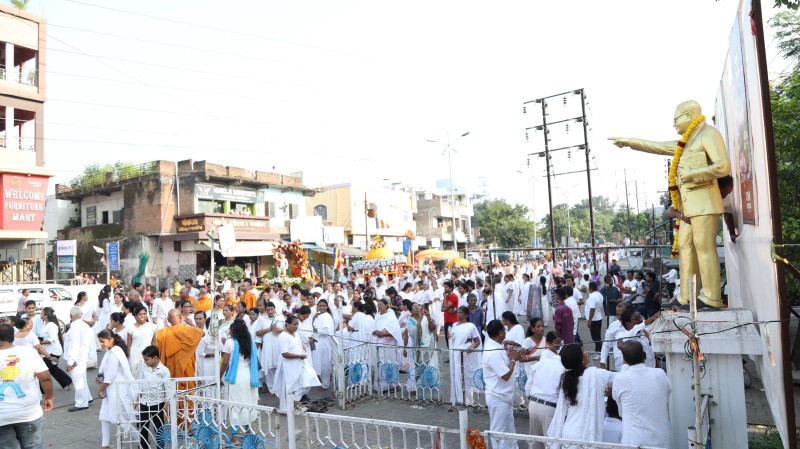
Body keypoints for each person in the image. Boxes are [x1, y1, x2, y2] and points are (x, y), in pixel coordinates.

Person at [610, 100, 731, 308]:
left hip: (705, 204)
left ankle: (712, 297)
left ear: (689, 115)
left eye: (676, 120)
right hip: (688, 208)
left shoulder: (709, 134)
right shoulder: (685, 143)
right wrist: (629, 141)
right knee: (685, 248)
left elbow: (723, 166)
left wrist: (694, 173)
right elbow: (656, 146)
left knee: (704, 247)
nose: (674, 124)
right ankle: (686, 296)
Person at [547, 344, 615, 448]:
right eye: (583, 351)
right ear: (581, 359)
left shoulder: (566, 379)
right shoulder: (596, 374)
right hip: (585, 433)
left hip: (567, 432)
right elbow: (621, 379)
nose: (586, 352)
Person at [0, 323, 54, 449]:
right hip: (29, 414)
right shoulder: (28, 352)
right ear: (13, 337)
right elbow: (45, 377)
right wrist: (49, 397)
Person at [612, 340, 671, 448]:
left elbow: (620, 410)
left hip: (634, 441)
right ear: (644, 355)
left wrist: (625, 364)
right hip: (662, 441)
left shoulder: (621, 378)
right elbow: (667, 394)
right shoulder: (660, 374)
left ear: (624, 360)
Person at [482, 320, 520, 449]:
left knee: (509, 430)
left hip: (505, 396)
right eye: (504, 331)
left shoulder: (496, 345)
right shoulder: (492, 351)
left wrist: (509, 350)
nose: (506, 333)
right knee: (498, 431)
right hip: (498, 396)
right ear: (500, 333)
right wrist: (514, 359)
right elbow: (505, 375)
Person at [525, 332, 566, 449]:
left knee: (535, 442)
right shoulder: (562, 368)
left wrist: (532, 398)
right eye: (557, 344)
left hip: (533, 404)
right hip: (549, 406)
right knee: (551, 443)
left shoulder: (542, 362)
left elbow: (528, 387)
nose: (558, 346)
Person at [220, 319, 259, 441]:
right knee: (248, 403)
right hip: (248, 376)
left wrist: (219, 376)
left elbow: (225, 362)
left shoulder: (229, 342)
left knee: (234, 406)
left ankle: (235, 437)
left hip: (234, 378)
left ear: (233, 330)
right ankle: (248, 430)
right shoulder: (250, 342)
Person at [96, 329, 136, 449]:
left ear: (111, 340)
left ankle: (141, 438)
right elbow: (105, 373)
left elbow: (110, 376)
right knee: (104, 416)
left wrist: (100, 389)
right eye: (100, 342)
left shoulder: (115, 352)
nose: (101, 344)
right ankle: (105, 444)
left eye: (103, 341)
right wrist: (100, 378)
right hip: (110, 388)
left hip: (116, 388)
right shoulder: (110, 351)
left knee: (118, 417)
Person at [273, 315, 321, 412]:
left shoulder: (296, 334)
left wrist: (301, 347)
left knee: (310, 378)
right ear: (287, 325)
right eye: (294, 324)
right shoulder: (283, 336)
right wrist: (298, 356)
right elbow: (284, 354)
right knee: (289, 386)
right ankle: (288, 407)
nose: (296, 326)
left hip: (301, 362)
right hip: (289, 365)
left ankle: (295, 399)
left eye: (297, 324)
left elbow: (298, 343)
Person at [152, 309, 204, 379]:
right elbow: (202, 333)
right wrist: (191, 323)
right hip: (186, 365)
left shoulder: (162, 333)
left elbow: (154, 346)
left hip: (171, 366)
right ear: (180, 317)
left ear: (168, 320)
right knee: (187, 387)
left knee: (172, 386)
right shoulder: (189, 329)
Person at [136, 345, 169, 449]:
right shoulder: (143, 368)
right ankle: (144, 447)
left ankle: (160, 447)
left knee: (159, 428)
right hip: (144, 402)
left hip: (158, 403)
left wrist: (166, 405)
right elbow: (140, 384)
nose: (145, 362)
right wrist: (137, 400)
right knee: (143, 428)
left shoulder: (164, 370)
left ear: (155, 358)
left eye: (147, 359)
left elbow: (167, 389)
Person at [448, 306, 481, 405]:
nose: (458, 314)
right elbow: (452, 340)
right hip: (455, 354)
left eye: (461, 313)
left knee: (466, 376)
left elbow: (477, 341)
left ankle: (467, 400)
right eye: (457, 312)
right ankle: (457, 398)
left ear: (466, 315)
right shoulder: (454, 325)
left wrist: (472, 347)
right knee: (456, 376)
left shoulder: (470, 326)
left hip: (466, 355)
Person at [63, 306, 93, 411]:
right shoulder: (85, 325)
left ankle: (81, 403)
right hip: (83, 355)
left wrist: (70, 362)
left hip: (76, 357)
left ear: (70, 315)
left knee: (78, 381)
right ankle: (87, 397)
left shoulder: (75, 327)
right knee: (82, 378)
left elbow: (74, 345)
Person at [40, 308, 72, 389]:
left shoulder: (51, 325)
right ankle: (67, 381)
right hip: (47, 351)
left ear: (46, 315)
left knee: (49, 368)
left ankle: (68, 381)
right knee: (52, 369)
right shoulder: (45, 324)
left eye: (41, 313)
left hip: (54, 351)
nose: (40, 314)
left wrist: (40, 343)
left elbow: (52, 339)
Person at [256, 301, 285, 392]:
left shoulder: (281, 317)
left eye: (271, 309)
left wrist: (279, 330)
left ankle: (280, 388)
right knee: (269, 368)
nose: (270, 311)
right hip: (268, 346)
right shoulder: (261, 319)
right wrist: (269, 329)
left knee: (279, 367)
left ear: (274, 309)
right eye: (268, 310)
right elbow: (257, 333)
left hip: (279, 345)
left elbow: (286, 330)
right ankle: (272, 389)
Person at [312, 299, 335, 390]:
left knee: (325, 364)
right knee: (319, 363)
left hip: (324, 343)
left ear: (326, 307)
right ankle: (322, 381)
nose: (321, 307)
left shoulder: (327, 316)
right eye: (320, 305)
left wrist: (316, 330)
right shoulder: (318, 316)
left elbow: (326, 331)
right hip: (317, 343)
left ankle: (325, 384)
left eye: (323, 306)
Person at [127, 304, 157, 374]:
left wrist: (155, 356)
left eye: (144, 314)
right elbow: (129, 345)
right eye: (140, 314)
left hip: (148, 353)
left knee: (147, 373)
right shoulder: (131, 328)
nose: (142, 316)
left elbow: (154, 343)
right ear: (136, 316)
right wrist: (129, 357)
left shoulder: (152, 326)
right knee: (134, 373)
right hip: (134, 354)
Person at [584, 282, 604, 352]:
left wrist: (589, 320)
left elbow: (592, 309)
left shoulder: (592, 296)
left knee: (596, 337)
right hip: (598, 318)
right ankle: (598, 350)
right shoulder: (599, 295)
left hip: (594, 320)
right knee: (597, 336)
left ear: (590, 288)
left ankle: (598, 352)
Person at [441, 281, 459, 348]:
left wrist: (445, 297)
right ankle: (450, 357)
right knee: (447, 339)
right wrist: (447, 308)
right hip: (446, 320)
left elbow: (445, 306)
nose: (444, 289)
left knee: (453, 339)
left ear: (451, 288)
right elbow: (442, 309)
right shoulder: (447, 297)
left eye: (446, 287)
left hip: (453, 321)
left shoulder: (453, 296)